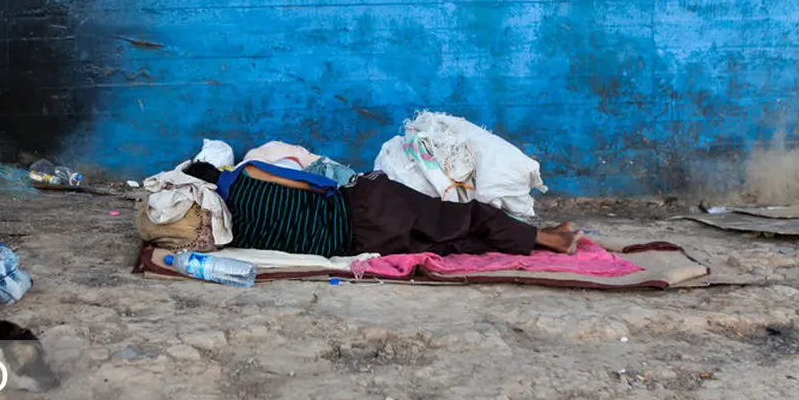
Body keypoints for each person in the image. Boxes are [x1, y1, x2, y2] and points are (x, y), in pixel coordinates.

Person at [181, 160, 581, 258]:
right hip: (365, 209)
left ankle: (539, 241)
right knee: (460, 216)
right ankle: (550, 238)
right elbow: (315, 183)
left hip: (357, 244)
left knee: (454, 244)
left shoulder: (225, 231)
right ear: (216, 171)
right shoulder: (245, 171)